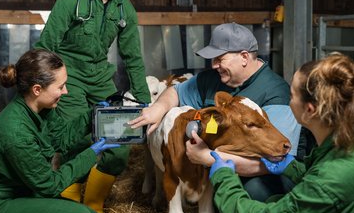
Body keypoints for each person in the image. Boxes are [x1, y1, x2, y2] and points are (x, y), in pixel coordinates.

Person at [34, 0, 151, 213]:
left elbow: (133, 58)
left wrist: (147, 103)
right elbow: (46, 45)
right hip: (68, 79)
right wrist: (40, 86)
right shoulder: (71, 0)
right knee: (76, 143)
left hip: (101, 80)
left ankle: (94, 206)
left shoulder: (125, 10)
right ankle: (70, 208)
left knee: (119, 149)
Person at [129, 22, 302, 203]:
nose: (214, 65)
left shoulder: (276, 93)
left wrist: (209, 159)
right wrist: (158, 108)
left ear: (244, 57)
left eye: (220, 59)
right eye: (213, 59)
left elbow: (276, 159)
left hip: (261, 174)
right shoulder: (213, 79)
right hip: (219, 169)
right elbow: (176, 91)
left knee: (253, 191)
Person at [207, 53, 354, 213]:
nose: (288, 101)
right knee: (272, 197)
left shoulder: (328, 181)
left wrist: (225, 180)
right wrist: (293, 168)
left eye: (291, 96)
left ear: (310, 110)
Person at [0, 49, 119, 213]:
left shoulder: (41, 109)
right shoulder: (14, 131)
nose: (66, 91)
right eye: (60, 87)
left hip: (19, 193)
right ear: (37, 89)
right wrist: (91, 153)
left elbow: (62, 138)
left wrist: (93, 115)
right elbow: (49, 185)